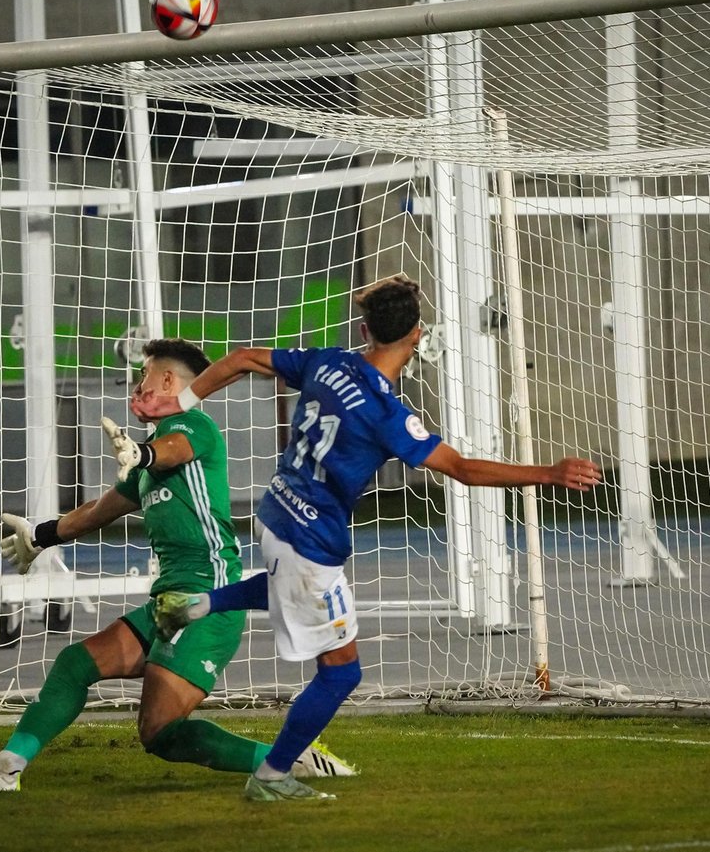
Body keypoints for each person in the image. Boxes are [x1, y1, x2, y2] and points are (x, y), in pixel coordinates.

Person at [140, 276, 602, 802]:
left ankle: (196, 605)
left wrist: (184, 400)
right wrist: (549, 472)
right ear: (419, 336)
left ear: (364, 328)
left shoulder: (327, 362)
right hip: (311, 542)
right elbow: (463, 469)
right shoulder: (388, 416)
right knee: (341, 674)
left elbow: (244, 356)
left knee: (283, 585)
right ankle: (271, 776)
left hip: (273, 516)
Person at [0, 339, 350, 792]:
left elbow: (174, 449)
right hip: (169, 600)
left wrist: (143, 455)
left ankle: (284, 761)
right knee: (75, 664)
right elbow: (100, 510)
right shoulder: (150, 455)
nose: (135, 387)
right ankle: (4, 768)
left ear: (168, 381)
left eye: (143, 376)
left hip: (207, 598)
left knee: (158, 731)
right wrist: (40, 537)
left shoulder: (194, 428)